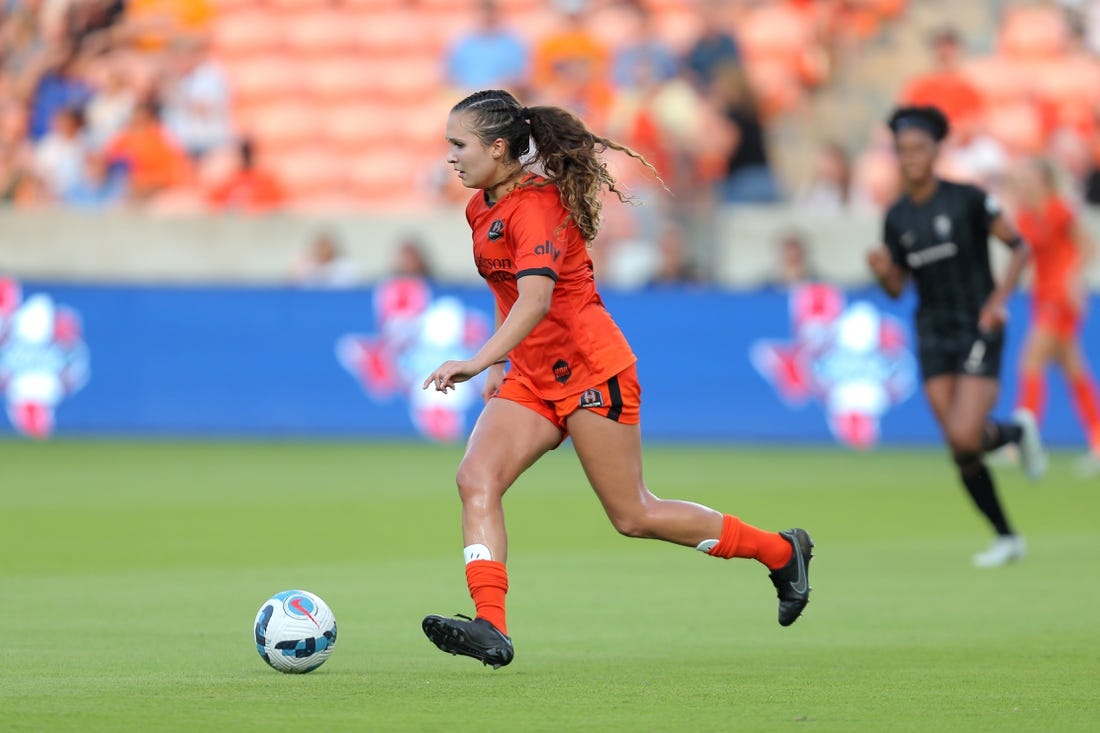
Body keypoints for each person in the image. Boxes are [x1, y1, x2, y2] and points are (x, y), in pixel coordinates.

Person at [419, 89, 814, 669]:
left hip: (590, 370)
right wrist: (503, 362)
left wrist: (478, 358)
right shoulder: (482, 206)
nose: (450, 157)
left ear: (498, 147)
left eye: (459, 144)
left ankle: (781, 552)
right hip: (532, 374)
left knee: (634, 515)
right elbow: (506, 292)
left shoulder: (535, 207)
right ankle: (491, 627)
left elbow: (535, 299)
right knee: (476, 479)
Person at [867, 106, 1047, 569]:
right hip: (932, 330)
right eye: (902, 151)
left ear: (935, 151)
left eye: (918, 149)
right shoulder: (897, 217)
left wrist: (998, 301)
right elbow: (897, 288)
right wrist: (883, 271)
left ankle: (1013, 435)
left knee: (965, 435)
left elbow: (1019, 247)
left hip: (978, 324)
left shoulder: (967, 199)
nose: (910, 159)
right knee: (960, 446)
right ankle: (1007, 534)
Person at [1011, 157, 1100, 475]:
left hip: (1060, 298)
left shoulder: (1058, 210)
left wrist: (1074, 278)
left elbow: (1087, 246)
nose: (1023, 184)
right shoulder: (1025, 216)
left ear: (1044, 181)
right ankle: (1098, 439)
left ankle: (1020, 440)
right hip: (1041, 297)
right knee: (1074, 369)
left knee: (1030, 361)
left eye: (1029, 178)